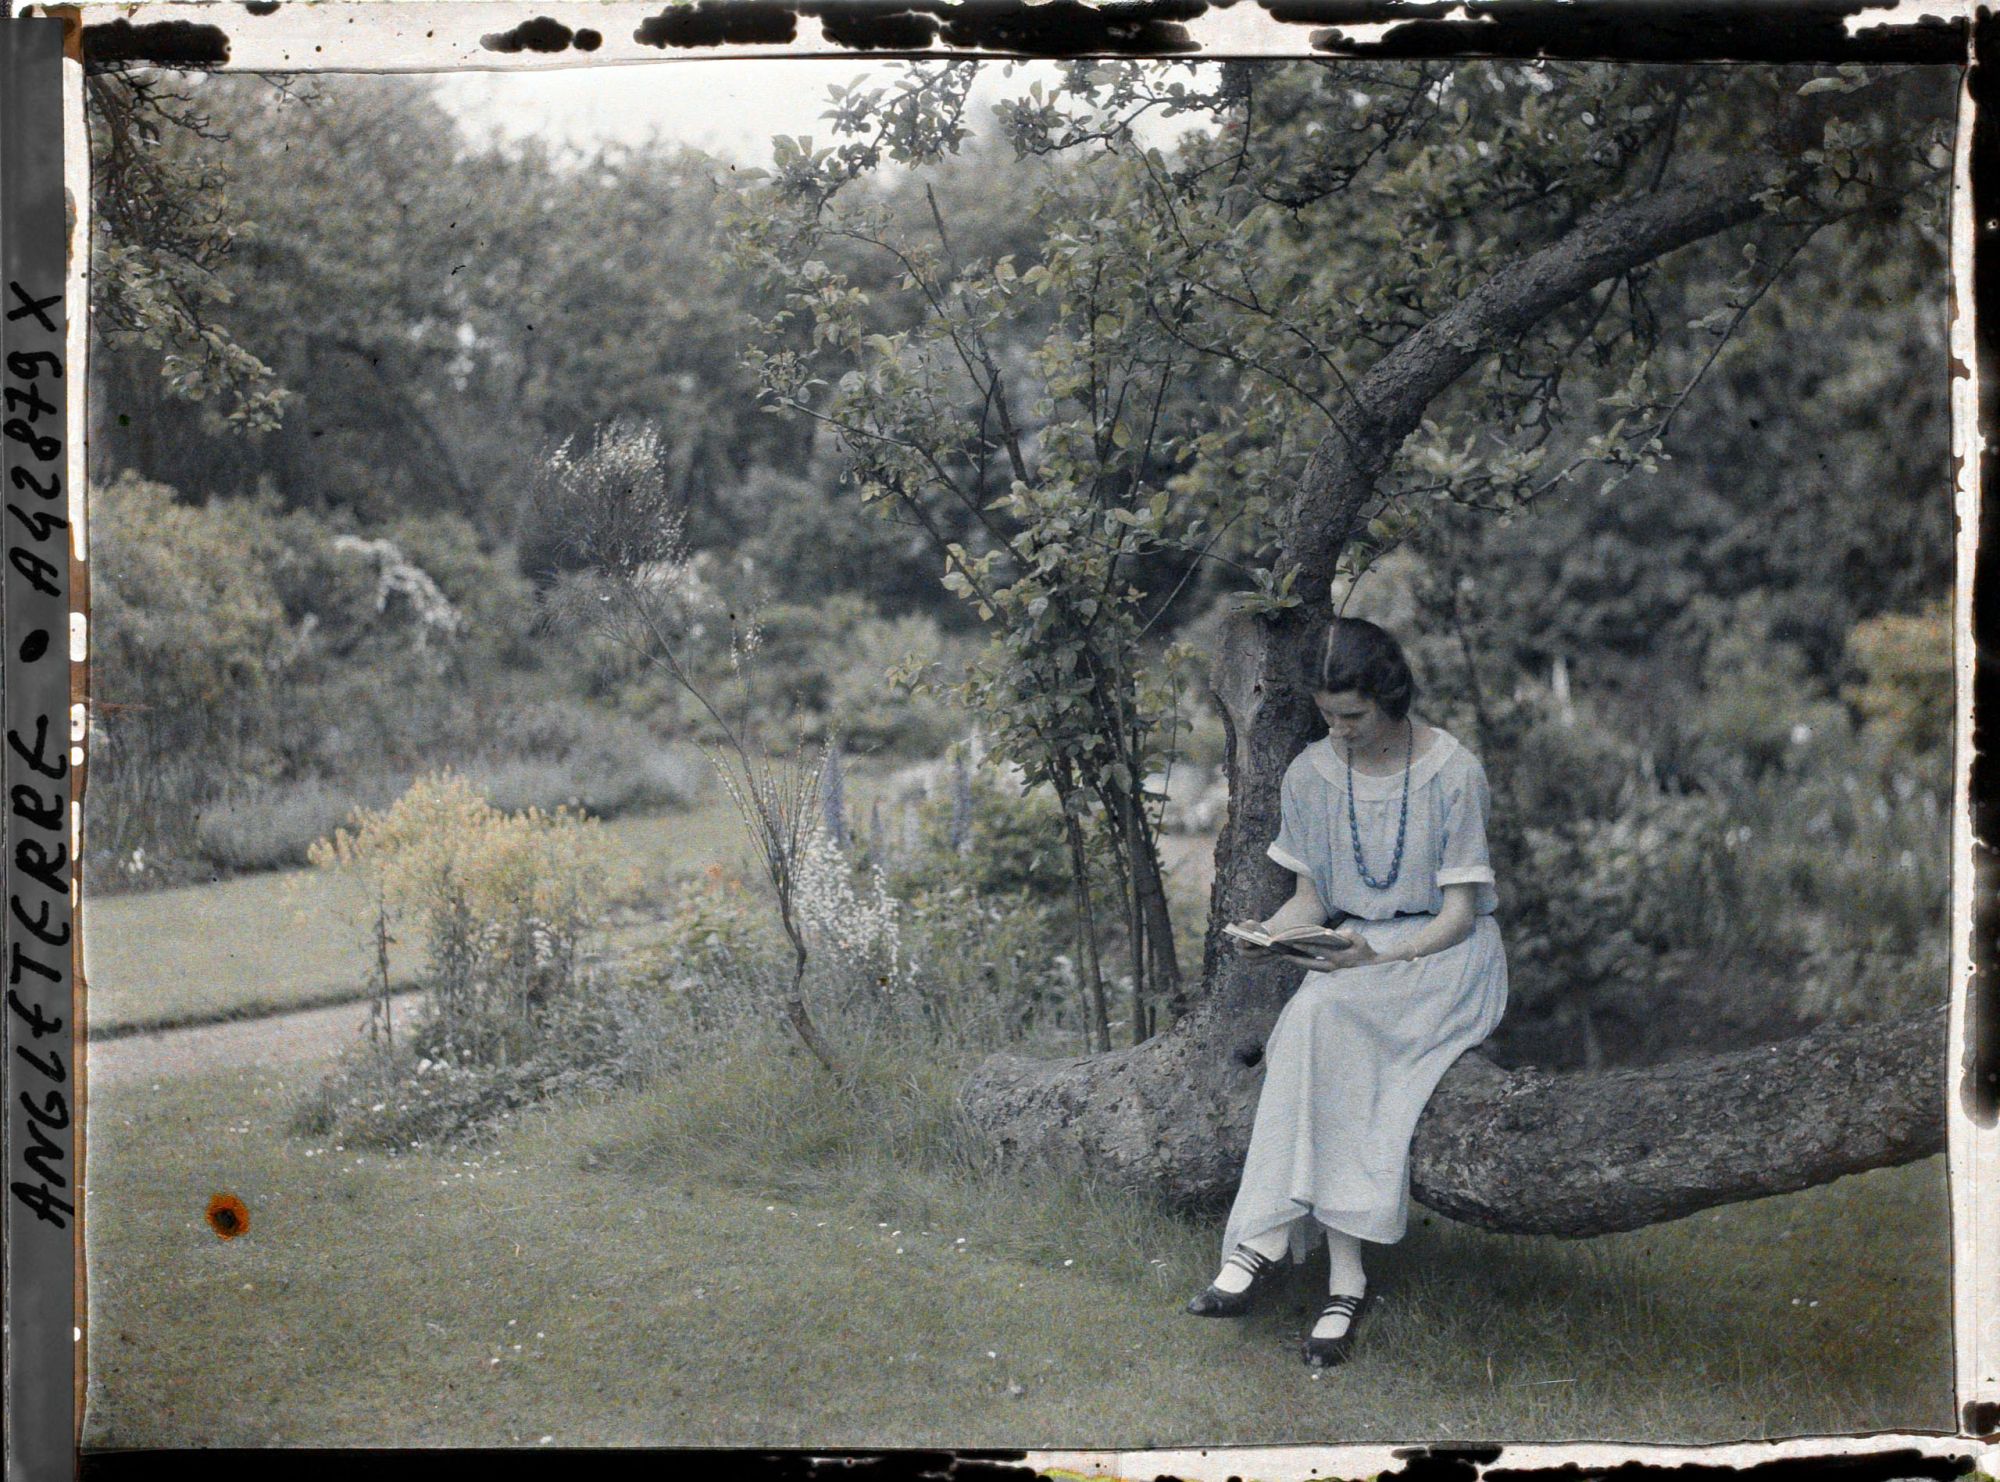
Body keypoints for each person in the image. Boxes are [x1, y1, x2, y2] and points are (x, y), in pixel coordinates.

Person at [1184, 616, 1508, 1368]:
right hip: (1360, 956)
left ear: (1390, 695)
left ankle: (1268, 1244)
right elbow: (1310, 897)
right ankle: (1343, 1279)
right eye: (1328, 717)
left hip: (1445, 959)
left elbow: (1462, 914)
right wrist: (1271, 932)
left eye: (1353, 716)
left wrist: (1379, 960)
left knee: (1322, 1013)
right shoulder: (1312, 773)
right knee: (1323, 1015)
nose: (1340, 731)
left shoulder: (1453, 772)